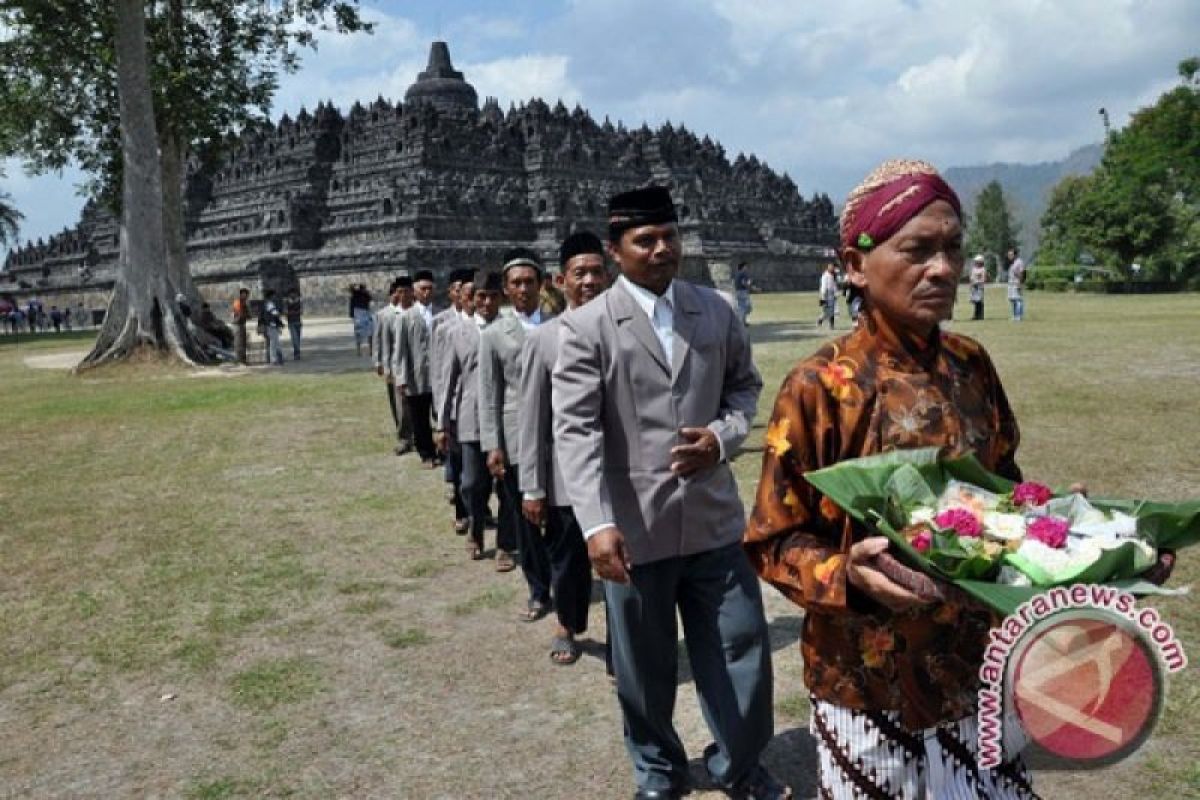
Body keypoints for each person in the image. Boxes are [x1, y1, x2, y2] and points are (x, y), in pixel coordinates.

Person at [744, 159, 1038, 798]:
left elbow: (1009, 491)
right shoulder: (820, 386)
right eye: (918, 250)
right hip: (869, 683)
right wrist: (844, 573)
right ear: (855, 264)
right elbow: (772, 542)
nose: (943, 268)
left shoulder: (971, 364)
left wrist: (1088, 542)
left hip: (980, 665)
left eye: (953, 248)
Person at [553, 186, 784, 800]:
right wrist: (596, 524)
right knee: (645, 668)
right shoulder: (585, 328)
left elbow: (743, 391)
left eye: (669, 237)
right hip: (634, 532)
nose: (661, 249)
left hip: (713, 521)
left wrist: (721, 437)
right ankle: (657, 771)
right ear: (616, 249)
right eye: (644, 240)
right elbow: (574, 432)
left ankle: (739, 763)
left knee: (742, 648)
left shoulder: (714, 311)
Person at [519, 231, 610, 665]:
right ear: (560, 280)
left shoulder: (627, 331)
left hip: (620, 475)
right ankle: (567, 625)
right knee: (569, 560)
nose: (589, 281)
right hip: (564, 478)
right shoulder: (543, 340)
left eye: (597, 271)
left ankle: (623, 646)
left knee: (624, 566)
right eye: (580, 273)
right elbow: (532, 418)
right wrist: (532, 486)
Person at [480, 248, 554, 617]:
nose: (523, 289)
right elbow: (488, 393)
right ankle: (539, 588)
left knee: (561, 516)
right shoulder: (494, 334)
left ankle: (561, 575)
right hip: (514, 438)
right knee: (526, 519)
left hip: (558, 435)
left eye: (529, 282)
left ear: (541, 285)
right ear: (506, 290)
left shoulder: (562, 323)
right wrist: (492, 445)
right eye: (516, 283)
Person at [440, 271, 511, 565]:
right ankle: (476, 528)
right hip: (470, 419)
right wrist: (442, 422)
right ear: (470, 298)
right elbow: (447, 379)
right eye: (480, 296)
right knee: (471, 483)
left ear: (500, 298)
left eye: (492, 296)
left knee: (507, 487)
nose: (486, 302)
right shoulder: (458, 333)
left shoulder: (511, 329)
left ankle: (506, 544)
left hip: (507, 418)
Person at [432, 269, 473, 533]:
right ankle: (463, 511)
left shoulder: (490, 326)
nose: (464, 295)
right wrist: (440, 414)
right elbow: (439, 372)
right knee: (460, 466)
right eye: (459, 290)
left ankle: (478, 511)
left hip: (480, 407)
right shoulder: (444, 327)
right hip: (456, 406)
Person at [392, 269, 440, 468]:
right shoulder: (405, 317)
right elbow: (400, 350)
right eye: (423, 289)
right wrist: (401, 377)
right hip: (416, 376)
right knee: (420, 417)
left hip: (439, 375)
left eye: (430, 288)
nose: (426, 293)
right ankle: (426, 453)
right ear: (414, 291)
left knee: (442, 415)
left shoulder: (441, 314)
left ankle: (443, 449)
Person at [374, 277, 414, 455]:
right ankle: (404, 438)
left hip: (418, 365)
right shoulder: (387, 315)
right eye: (401, 291)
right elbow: (383, 341)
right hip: (397, 366)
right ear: (396, 293)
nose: (404, 295)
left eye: (407, 291)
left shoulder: (418, 313)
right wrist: (382, 364)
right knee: (400, 404)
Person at [259, 289, 285, 365]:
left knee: (275, 342)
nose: (275, 297)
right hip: (271, 325)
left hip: (270, 325)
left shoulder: (266, 304)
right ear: (271, 296)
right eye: (274, 295)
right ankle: (274, 359)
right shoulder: (269, 304)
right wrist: (280, 318)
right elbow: (275, 314)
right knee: (274, 343)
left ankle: (279, 358)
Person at [349, 283, 373, 355]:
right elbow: (351, 288)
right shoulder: (357, 293)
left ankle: (363, 350)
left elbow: (370, 301)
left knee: (365, 333)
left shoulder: (363, 294)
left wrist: (352, 315)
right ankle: (363, 350)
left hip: (361, 313)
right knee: (365, 333)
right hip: (361, 313)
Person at [231, 287, 251, 364]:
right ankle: (239, 360)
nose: (247, 296)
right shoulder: (238, 302)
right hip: (237, 325)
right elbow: (240, 314)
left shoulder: (243, 302)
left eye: (247, 295)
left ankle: (243, 360)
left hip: (241, 324)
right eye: (246, 295)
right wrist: (248, 315)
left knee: (243, 343)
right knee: (238, 343)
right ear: (242, 294)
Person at [817, 263, 838, 329]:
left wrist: (835, 293)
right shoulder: (825, 275)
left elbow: (834, 285)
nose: (832, 268)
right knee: (825, 312)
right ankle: (820, 320)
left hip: (831, 294)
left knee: (832, 311)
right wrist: (823, 296)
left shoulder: (833, 275)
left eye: (833, 267)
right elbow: (823, 286)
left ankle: (831, 325)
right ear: (828, 267)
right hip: (826, 294)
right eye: (831, 267)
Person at [1007, 248, 1026, 321]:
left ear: (1015, 255)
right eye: (1008, 255)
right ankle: (1014, 315)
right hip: (1011, 284)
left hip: (1017, 283)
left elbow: (1023, 273)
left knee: (1018, 300)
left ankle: (1019, 316)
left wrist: (1020, 283)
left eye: (1011, 254)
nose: (1009, 256)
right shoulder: (1012, 263)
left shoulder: (1019, 262)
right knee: (1013, 300)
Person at [284, 292, 304, 359]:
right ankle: (297, 353)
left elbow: (301, 311)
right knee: (294, 339)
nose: (293, 295)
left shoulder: (299, 301)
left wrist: (292, 313)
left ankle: (297, 353)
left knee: (298, 339)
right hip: (291, 323)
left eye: (294, 293)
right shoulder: (287, 302)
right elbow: (286, 312)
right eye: (292, 293)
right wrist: (295, 312)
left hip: (298, 322)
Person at [970, 253, 988, 320]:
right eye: (976, 261)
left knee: (980, 301)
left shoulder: (983, 269)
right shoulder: (974, 269)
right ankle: (975, 315)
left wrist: (977, 282)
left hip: (979, 287)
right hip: (974, 287)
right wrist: (971, 285)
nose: (976, 262)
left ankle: (981, 316)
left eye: (977, 261)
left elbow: (984, 279)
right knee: (975, 302)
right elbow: (971, 278)